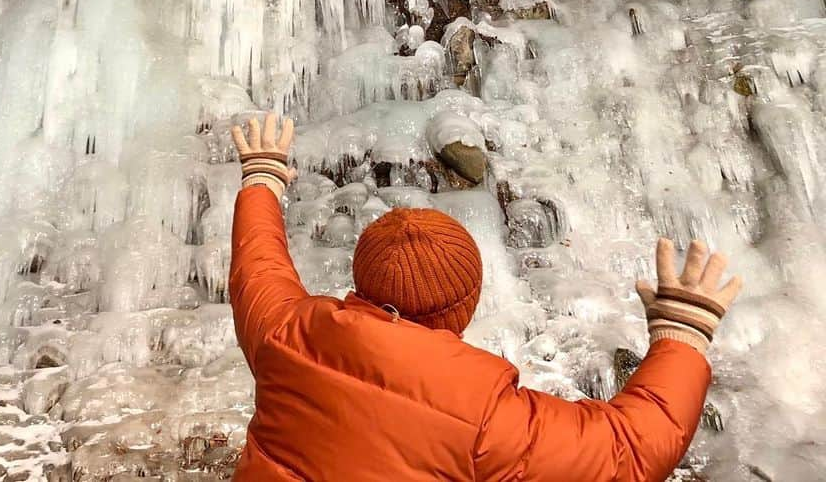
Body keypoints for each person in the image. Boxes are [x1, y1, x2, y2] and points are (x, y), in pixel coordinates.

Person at [228, 114, 742, 482]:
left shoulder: (287, 335)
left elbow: (258, 267)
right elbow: (627, 451)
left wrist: (262, 176)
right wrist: (682, 334)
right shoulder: (484, 413)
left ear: (361, 282)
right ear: (463, 305)